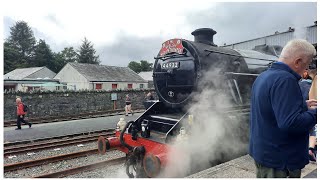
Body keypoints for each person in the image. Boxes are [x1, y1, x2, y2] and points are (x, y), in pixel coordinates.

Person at [249, 39, 317, 178]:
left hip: (264, 153)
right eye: (307, 64)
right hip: (280, 161)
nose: (307, 69)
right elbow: (291, 123)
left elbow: (268, 106)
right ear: (298, 61)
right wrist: (316, 113)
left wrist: (303, 105)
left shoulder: (263, 76)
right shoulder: (285, 80)